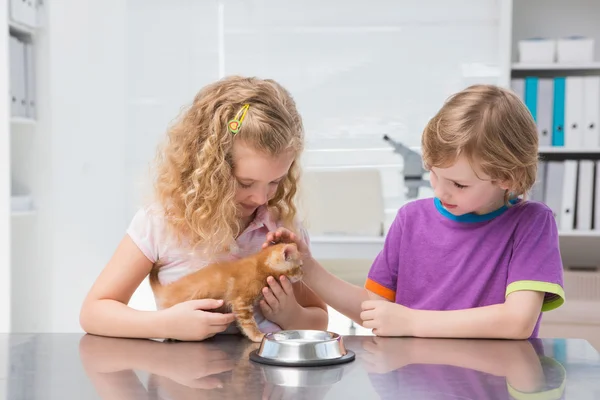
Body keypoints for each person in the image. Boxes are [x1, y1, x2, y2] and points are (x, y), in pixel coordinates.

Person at [264, 84, 565, 340]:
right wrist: (308, 268)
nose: (440, 191)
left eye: (459, 184)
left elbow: (518, 322)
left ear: (507, 178)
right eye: (433, 173)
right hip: (411, 381)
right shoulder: (411, 219)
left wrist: (411, 322)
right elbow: (374, 309)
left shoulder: (531, 223)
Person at [80, 76, 328, 341]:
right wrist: (164, 325)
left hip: (264, 377)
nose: (261, 198)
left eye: (275, 182)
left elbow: (319, 317)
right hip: (186, 376)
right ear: (210, 170)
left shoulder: (281, 231)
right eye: (245, 183)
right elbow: (94, 312)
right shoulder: (163, 222)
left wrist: (291, 316)